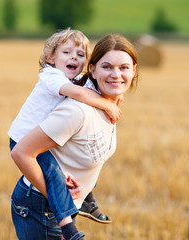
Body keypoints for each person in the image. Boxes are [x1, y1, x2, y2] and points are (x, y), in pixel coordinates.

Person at [10, 33, 138, 240]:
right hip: (42, 205)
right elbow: (21, 153)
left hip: (64, 202)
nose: (116, 74)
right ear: (93, 70)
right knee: (52, 171)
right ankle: (68, 225)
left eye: (123, 67)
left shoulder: (98, 99)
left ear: (134, 71)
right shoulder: (77, 108)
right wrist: (61, 204)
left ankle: (85, 201)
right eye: (107, 67)